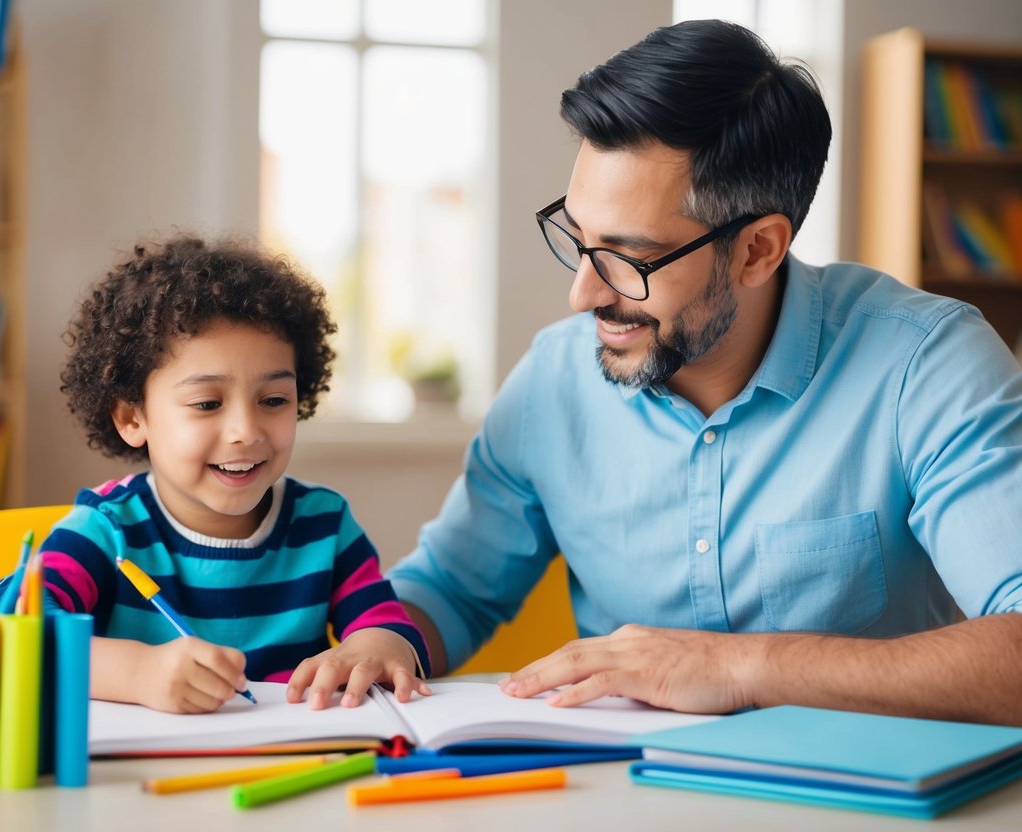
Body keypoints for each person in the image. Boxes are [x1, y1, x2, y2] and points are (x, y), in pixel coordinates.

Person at [388, 19, 1022, 726]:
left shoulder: (924, 364)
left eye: (628, 259)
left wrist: (738, 666)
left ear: (756, 250)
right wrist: (384, 640)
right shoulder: (553, 379)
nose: (584, 295)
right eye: (578, 238)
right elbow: (449, 587)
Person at [0, 235, 430, 713]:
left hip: (291, 769)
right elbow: (14, 628)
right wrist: (138, 674)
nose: (245, 431)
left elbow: (386, 625)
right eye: (206, 404)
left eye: (274, 400)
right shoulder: (105, 530)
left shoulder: (323, 523)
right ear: (132, 418)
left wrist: (382, 645)